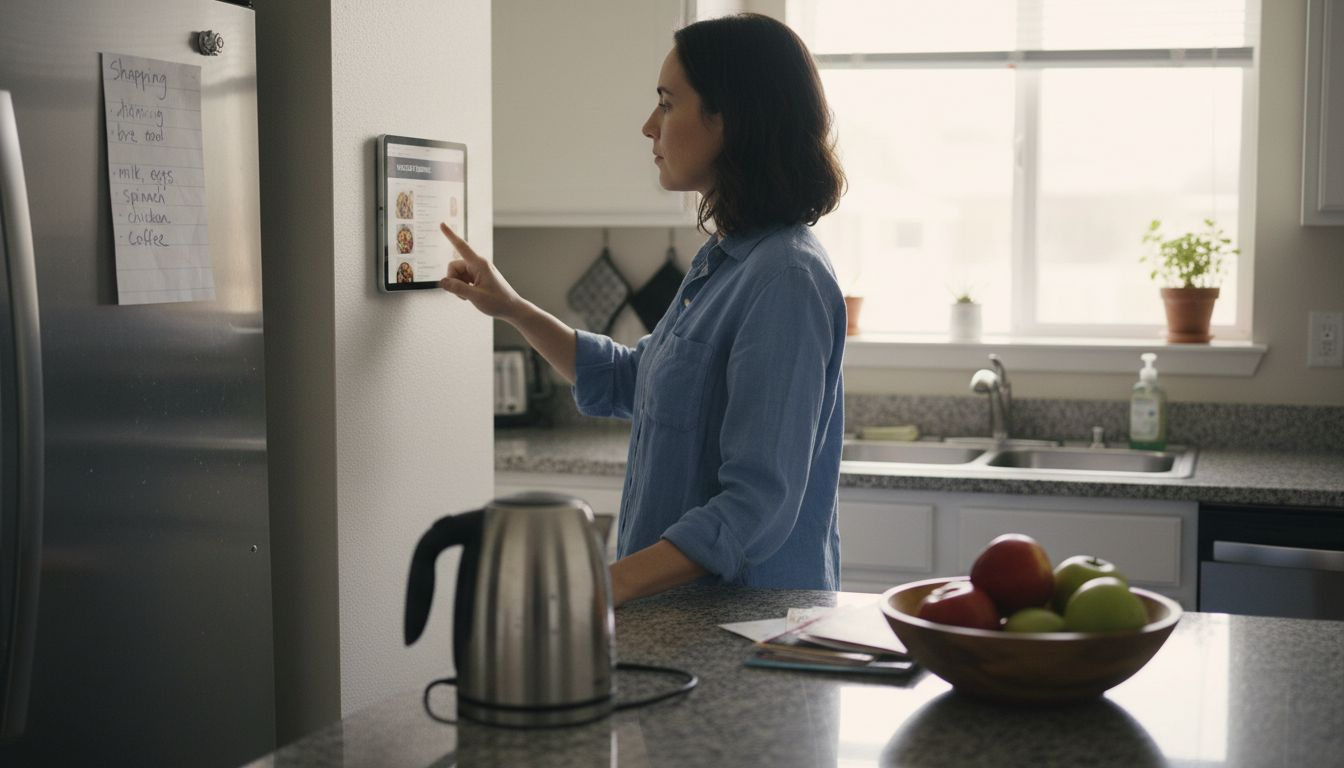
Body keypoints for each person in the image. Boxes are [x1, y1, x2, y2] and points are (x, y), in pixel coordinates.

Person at [439, 13, 846, 607]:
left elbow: (756, 505)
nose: (648, 125)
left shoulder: (786, 278)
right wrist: (513, 308)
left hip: (745, 637)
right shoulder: (723, 260)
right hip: (679, 624)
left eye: (666, 103)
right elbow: (635, 379)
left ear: (729, 119)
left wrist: (602, 586)